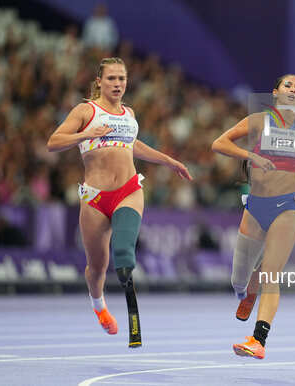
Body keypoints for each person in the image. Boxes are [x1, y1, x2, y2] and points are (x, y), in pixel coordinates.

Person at [47, 57, 192, 346]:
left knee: (124, 253)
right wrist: (86, 133)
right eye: (111, 79)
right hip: (95, 198)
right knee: (97, 267)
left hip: (128, 189)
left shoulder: (129, 113)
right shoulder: (86, 110)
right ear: (99, 81)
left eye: (122, 79)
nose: (117, 84)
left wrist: (167, 160)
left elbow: (133, 144)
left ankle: (128, 290)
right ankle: (99, 305)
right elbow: (53, 142)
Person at [211, 74, 295, 359]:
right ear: (275, 93)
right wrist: (251, 156)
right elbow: (219, 144)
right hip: (256, 207)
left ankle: (259, 340)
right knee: (238, 280)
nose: (293, 90)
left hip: (286, 207)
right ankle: (247, 291)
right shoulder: (259, 120)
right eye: (288, 86)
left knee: (271, 273)